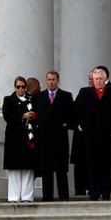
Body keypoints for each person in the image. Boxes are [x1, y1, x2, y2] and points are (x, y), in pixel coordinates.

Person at [74, 67, 111, 201]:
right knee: (92, 165)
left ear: (105, 79)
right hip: (90, 137)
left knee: (106, 166)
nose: (98, 81)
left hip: (107, 136)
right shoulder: (85, 93)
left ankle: (106, 193)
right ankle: (93, 193)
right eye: (96, 79)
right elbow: (76, 111)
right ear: (92, 80)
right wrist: (82, 126)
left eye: (101, 79)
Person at [32, 71, 73, 201]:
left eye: (53, 79)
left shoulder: (66, 96)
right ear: (46, 81)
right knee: (46, 169)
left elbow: (71, 115)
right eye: (49, 79)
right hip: (44, 138)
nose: (51, 82)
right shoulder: (38, 97)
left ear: (58, 80)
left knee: (61, 169)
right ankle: (47, 196)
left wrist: (65, 124)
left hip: (60, 138)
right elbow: (34, 115)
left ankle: (63, 196)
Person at [2, 76, 37, 203]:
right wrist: (23, 115)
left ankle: (27, 196)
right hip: (14, 139)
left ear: (26, 87)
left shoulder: (32, 100)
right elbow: (7, 116)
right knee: (15, 169)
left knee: (28, 168)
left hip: (29, 138)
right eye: (18, 87)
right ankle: (14, 196)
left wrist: (33, 116)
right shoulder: (9, 100)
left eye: (23, 87)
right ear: (15, 87)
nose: (21, 89)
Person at [71, 69, 94, 197]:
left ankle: (93, 189)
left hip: (95, 136)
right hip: (81, 135)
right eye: (90, 79)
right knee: (80, 164)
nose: (91, 81)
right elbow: (75, 110)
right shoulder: (84, 92)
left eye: (93, 78)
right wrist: (78, 125)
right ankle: (79, 190)